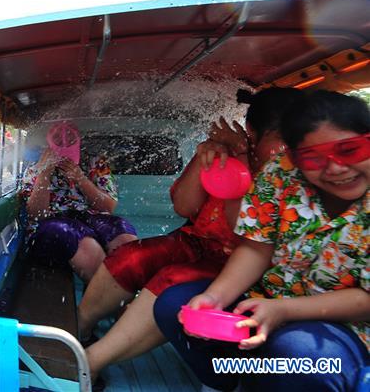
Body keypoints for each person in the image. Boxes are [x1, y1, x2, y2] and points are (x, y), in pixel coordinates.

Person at [77, 88, 303, 381]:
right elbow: (184, 206)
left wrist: (241, 159)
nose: (289, 148)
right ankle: (77, 331)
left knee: (170, 279)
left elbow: (246, 232)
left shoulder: (286, 173)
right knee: (131, 257)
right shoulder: (228, 153)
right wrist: (205, 156)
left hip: (239, 258)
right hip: (194, 240)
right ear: (251, 132)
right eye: (281, 139)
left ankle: (90, 363)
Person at [153, 90, 370, 392]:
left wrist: (284, 311)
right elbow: (256, 248)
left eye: (350, 150)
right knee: (175, 306)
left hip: (351, 326)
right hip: (270, 299)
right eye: (313, 157)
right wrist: (215, 298)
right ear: (294, 156)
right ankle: (228, 381)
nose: (335, 168)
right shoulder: (280, 173)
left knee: (298, 355)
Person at [21, 121, 138, 283]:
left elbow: (108, 207)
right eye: (58, 139)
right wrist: (44, 173)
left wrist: (80, 178)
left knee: (122, 232)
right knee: (80, 240)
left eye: (70, 138)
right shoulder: (36, 168)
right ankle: (105, 294)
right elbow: (36, 214)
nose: (63, 142)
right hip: (52, 224)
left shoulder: (95, 164)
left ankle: (127, 291)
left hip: (89, 216)